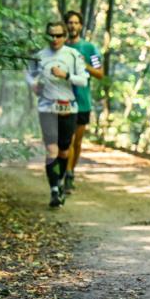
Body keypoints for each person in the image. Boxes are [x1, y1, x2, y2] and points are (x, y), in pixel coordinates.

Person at [26, 21, 88, 207]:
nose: (55, 39)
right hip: (47, 108)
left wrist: (66, 75)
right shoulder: (40, 55)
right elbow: (29, 74)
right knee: (51, 150)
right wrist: (33, 85)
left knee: (64, 151)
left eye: (59, 35)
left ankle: (59, 182)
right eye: (51, 35)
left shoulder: (73, 55)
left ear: (65, 36)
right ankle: (54, 190)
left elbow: (84, 80)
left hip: (68, 107)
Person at [62, 10, 104, 192]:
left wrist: (84, 65)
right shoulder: (59, 47)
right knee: (67, 141)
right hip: (63, 101)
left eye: (76, 23)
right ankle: (66, 174)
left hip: (82, 102)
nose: (72, 26)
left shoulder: (90, 49)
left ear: (80, 26)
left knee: (77, 143)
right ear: (65, 25)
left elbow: (100, 73)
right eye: (69, 23)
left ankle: (70, 172)